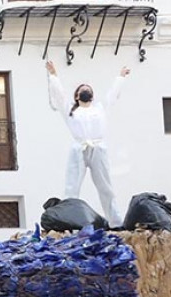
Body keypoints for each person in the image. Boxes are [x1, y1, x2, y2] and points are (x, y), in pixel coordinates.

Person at [46, 60, 130, 227]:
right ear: (77, 96)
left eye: (88, 89)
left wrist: (120, 77)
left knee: (105, 186)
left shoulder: (100, 108)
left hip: (98, 148)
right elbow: (59, 94)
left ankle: (115, 222)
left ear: (92, 95)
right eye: (82, 90)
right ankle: (69, 221)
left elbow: (112, 95)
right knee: (72, 187)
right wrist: (53, 75)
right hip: (79, 149)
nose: (85, 90)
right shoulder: (71, 110)